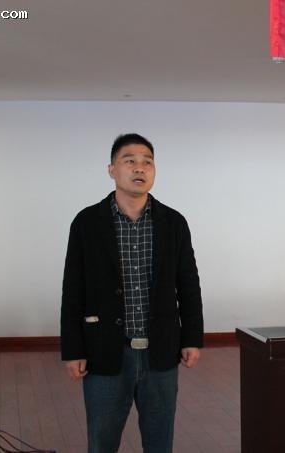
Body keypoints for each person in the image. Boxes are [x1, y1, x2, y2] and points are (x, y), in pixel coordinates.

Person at [60, 133, 203, 453]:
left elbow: (188, 283)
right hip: (104, 351)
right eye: (130, 161)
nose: (140, 168)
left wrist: (192, 337)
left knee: (160, 439)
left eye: (147, 162)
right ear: (112, 170)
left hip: (160, 352)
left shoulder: (174, 222)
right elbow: (73, 289)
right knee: (102, 441)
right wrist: (72, 348)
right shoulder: (87, 222)